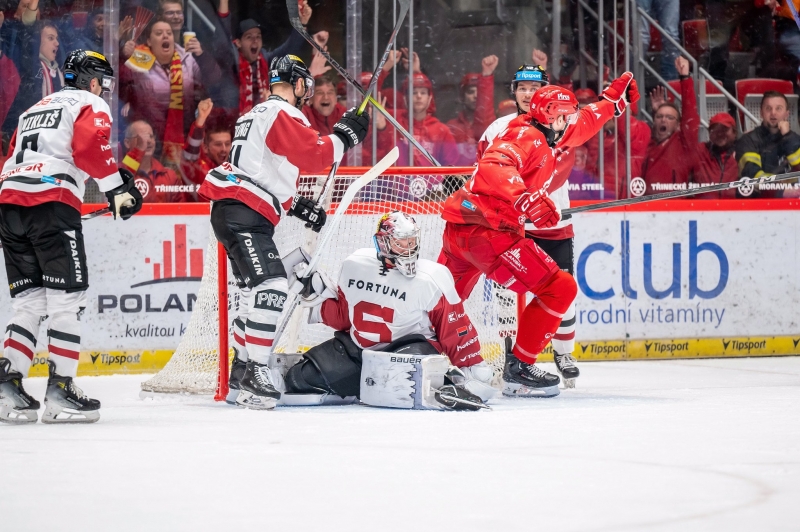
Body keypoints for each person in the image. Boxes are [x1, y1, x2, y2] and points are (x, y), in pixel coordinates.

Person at [438, 76, 638, 397]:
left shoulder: (545, 128)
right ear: (553, 116)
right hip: (491, 233)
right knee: (560, 288)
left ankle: (405, 353)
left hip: (461, 228)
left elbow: (584, 122)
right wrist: (525, 198)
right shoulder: (525, 134)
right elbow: (495, 164)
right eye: (566, 116)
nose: (570, 121)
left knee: (442, 300)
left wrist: (612, 103)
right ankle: (520, 368)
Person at [197, 55, 370, 410]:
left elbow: (263, 169)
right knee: (272, 287)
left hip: (234, 209)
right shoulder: (282, 112)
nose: (307, 91)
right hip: (243, 211)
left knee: (251, 295)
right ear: (296, 83)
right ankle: (256, 372)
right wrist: (344, 135)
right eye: (305, 83)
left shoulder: (255, 114)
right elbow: (315, 155)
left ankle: (241, 371)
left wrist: (298, 205)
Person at [0, 50, 143, 424]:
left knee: (29, 304)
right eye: (103, 83)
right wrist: (115, 189)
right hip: (51, 204)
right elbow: (88, 145)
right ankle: (61, 390)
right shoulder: (88, 101)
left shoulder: (35, 108)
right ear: (92, 80)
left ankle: (6, 386)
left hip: (9, 204)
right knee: (66, 302)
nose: (104, 90)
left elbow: (11, 156)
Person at [271, 211, 495, 410]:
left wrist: (472, 367)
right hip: (358, 353)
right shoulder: (355, 265)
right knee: (298, 379)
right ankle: (367, 384)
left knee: (408, 380)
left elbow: (453, 328)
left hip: (407, 352)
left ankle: (440, 383)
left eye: (411, 242)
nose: (408, 249)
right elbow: (344, 317)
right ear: (384, 243)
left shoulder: (430, 278)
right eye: (401, 243)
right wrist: (313, 295)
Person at [476, 62, 584, 386]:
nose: (527, 93)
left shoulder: (563, 124)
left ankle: (563, 353)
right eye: (522, 88)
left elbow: (554, 174)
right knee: (507, 298)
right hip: (513, 227)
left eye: (534, 87)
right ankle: (511, 358)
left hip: (553, 225)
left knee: (563, 291)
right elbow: (486, 170)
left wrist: (529, 198)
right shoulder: (497, 128)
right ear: (514, 91)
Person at [120, 19, 212, 166]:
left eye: (169, 33)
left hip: (181, 137)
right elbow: (120, 85)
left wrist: (201, 55)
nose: (165, 36)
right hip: (149, 138)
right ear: (149, 41)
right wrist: (123, 56)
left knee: (176, 183)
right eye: (159, 33)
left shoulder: (187, 58)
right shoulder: (138, 58)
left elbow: (212, 80)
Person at [640, 56, 699, 196]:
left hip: (675, 210)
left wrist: (685, 78)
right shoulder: (645, 142)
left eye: (669, 117)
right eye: (659, 117)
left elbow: (690, 114)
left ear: (678, 125)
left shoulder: (683, 143)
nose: (663, 120)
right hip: (646, 209)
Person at [735, 91, 800, 198]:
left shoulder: (794, 139)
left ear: (787, 114)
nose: (773, 113)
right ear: (761, 112)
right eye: (768, 108)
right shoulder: (748, 140)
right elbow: (752, 175)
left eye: (778, 108)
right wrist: (781, 191)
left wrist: (788, 137)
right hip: (758, 204)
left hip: (791, 202)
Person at [121, 119, 191, 202]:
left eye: (150, 136)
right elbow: (119, 185)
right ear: (127, 143)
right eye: (141, 137)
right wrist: (138, 151)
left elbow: (181, 211)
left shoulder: (169, 176)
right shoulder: (116, 172)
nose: (148, 141)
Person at [446, 55, 498, 165]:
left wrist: (486, 76)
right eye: (470, 92)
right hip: (458, 181)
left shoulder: (491, 125)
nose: (475, 96)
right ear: (462, 96)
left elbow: (484, 113)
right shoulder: (451, 127)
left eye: (479, 92)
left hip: (483, 178)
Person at [181, 98, 231, 189]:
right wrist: (201, 119)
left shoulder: (236, 169)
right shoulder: (199, 169)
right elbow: (190, 156)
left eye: (227, 144)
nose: (224, 149)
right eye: (218, 144)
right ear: (205, 148)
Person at [694, 113, 739, 199]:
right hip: (704, 210)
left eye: (724, 129)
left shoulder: (742, 151)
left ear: (734, 132)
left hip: (734, 210)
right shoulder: (700, 151)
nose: (719, 134)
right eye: (715, 130)